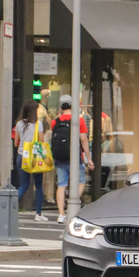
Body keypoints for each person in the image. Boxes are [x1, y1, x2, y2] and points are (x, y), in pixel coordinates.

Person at [51, 95, 94, 224]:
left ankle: (61, 214)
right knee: (81, 181)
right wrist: (89, 159)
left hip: (59, 157)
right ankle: (72, 205)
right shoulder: (79, 120)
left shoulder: (55, 122)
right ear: (72, 106)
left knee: (61, 185)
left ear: (61, 107)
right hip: (75, 157)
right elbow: (84, 139)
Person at [14, 100, 47, 222]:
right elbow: (41, 141)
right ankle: (38, 214)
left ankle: (9, 207)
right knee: (38, 186)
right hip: (34, 158)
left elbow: (16, 142)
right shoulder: (38, 124)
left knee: (23, 185)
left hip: (21, 156)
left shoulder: (19, 124)